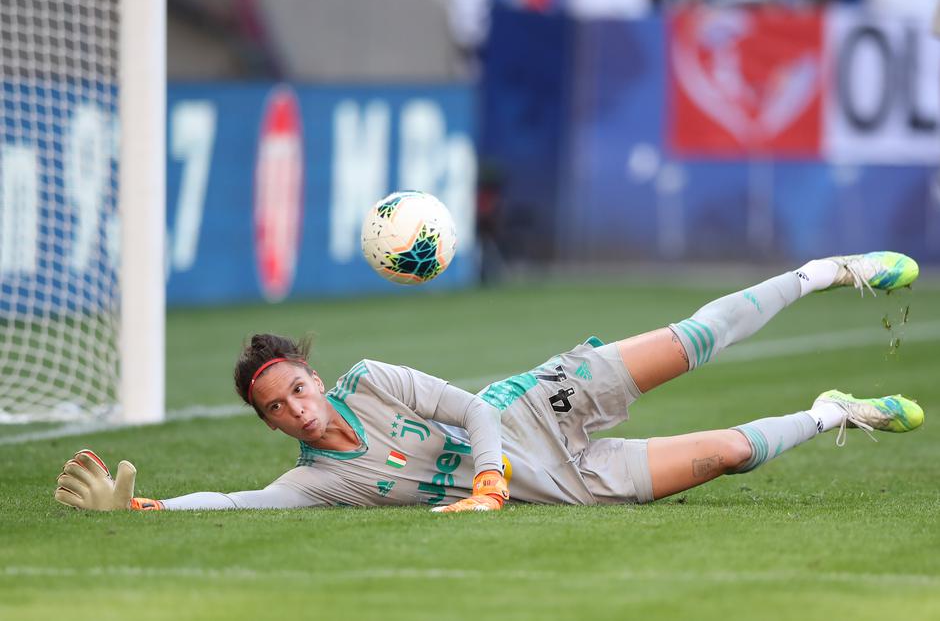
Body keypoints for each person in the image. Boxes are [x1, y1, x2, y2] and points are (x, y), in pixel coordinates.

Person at [54, 252, 925, 513]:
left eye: (295, 386)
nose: (294, 406)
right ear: (272, 420)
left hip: (537, 404)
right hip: (561, 481)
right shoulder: (317, 483)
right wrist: (145, 511)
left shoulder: (370, 380)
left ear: (315, 376)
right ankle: (833, 410)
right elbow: (240, 502)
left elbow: (474, 405)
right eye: (275, 407)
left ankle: (825, 272)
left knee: (692, 339)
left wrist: (487, 477)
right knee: (732, 452)